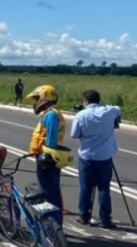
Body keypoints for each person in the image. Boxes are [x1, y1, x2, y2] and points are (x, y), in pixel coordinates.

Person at [71, 89, 120, 229]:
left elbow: (74, 134)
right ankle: (106, 219)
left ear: (86, 100)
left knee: (86, 187)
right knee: (104, 188)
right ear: (98, 100)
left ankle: (83, 215)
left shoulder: (81, 115)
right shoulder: (108, 111)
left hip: (87, 156)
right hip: (105, 156)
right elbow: (117, 109)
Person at [26, 85, 67, 225]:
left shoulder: (50, 115)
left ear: (45, 97)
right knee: (51, 191)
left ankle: (52, 225)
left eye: (37, 98)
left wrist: (46, 156)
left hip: (47, 157)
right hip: (49, 156)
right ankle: (53, 224)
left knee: (47, 192)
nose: (35, 102)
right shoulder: (52, 113)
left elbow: (51, 136)